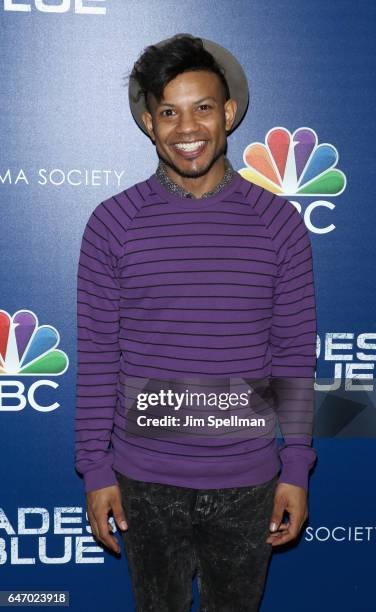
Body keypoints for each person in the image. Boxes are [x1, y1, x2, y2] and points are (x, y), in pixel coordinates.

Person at [75, 33, 317, 611]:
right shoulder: (112, 224)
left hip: (249, 481)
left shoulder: (280, 225)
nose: (188, 128)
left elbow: (293, 355)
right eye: (169, 112)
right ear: (148, 123)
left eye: (203, 108)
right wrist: (94, 469)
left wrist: (297, 466)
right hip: (143, 480)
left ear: (228, 113)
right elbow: (97, 357)